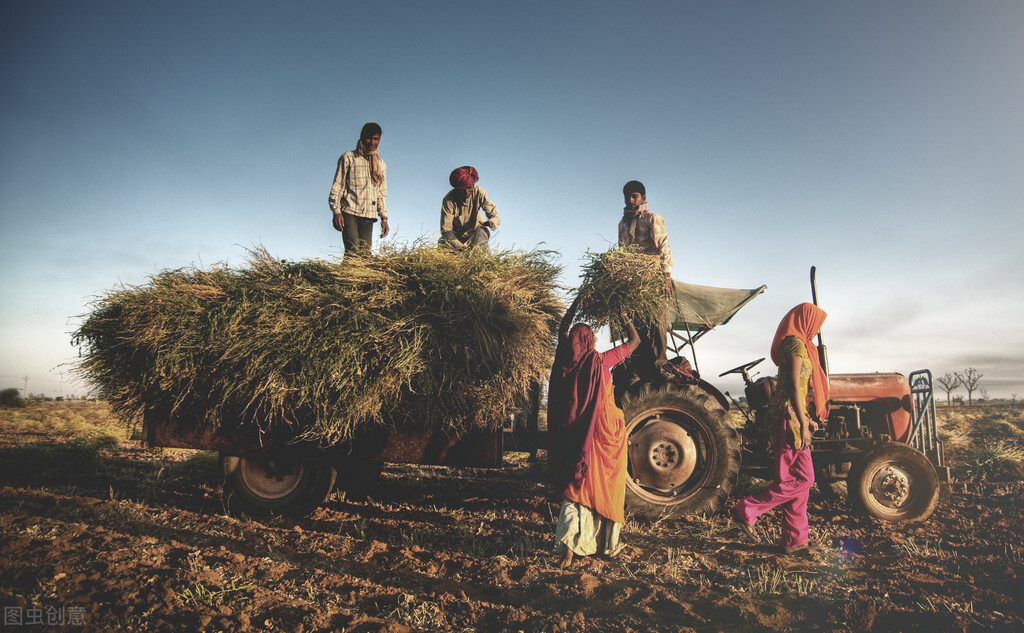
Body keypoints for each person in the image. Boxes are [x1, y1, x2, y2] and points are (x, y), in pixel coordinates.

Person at [548, 298, 640, 568]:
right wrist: (623, 314)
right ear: (590, 341)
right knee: (607, 485)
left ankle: (568, 545)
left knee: (577, 484)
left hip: (580, 435)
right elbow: (635, 341)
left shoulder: (566, 360)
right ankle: (605, 544)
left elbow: (562, 330)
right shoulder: (601, 360)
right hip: (606, 432)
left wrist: (577, 302)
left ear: (573, 342)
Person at [733, 303, 829, 555]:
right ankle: (748, 508)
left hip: (792, 414)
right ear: (806, 320)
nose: (818, 331)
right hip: (789, 417)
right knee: (805, 478)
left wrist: (807, 418)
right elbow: (795, 387)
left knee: (794, 482)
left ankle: (794, 539)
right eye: (817, 324)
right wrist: (803, 422)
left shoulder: (797, 343)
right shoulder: (796, 344)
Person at [617, 180, 673, 379]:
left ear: (643, 198)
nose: (631, 200)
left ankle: (660, 366)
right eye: (627, 197)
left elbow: (663, 246)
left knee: (656, 322)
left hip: (653, 278)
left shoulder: (651, 218)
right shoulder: (623, 224)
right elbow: (622, 254)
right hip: (634, 282)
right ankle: (639, 367)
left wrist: (666, 275)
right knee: (636, 324)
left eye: (635, 196)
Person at [328, 122, 389, 256]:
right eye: (369, 138)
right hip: (349, 211)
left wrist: (384, 218)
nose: (372, 142)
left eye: (376, 139)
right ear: (362, 137)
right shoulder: (348, 158)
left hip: (368, 215)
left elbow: (381, 193)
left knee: (365, 255)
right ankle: (343, 276)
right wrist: (336, 211)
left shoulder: (381, 164)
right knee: (352, 251)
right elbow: (337, 186)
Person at [439, 166, 500, 250]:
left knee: (482, 233)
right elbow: (446, 230)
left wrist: (493, 221)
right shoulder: (448, 200)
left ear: (473, 185)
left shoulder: (479, 192)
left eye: (469, 187)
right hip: (456, 237)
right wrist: (460, 247)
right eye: (462, 189)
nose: (466, 192)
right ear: (457, 188)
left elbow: (493, 214)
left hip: (475, 233)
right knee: (443, 241)